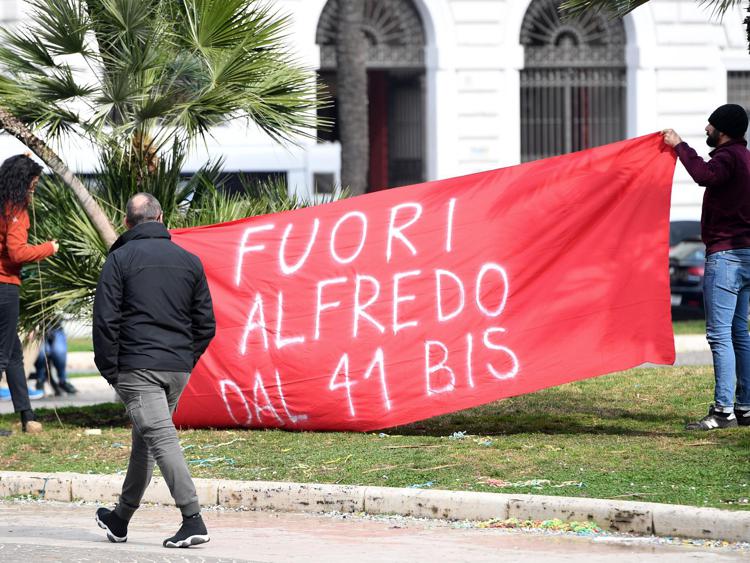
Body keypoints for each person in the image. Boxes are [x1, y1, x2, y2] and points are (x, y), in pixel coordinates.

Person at [92, 193, 215, 548]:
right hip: (176, 369)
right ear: (161, 217)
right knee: (144, 442)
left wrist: (113, 372)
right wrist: (184, 360)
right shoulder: (189, 261)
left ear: (128, 223)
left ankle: (192, 519)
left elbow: (105, 321)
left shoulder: (119, 259)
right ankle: (120, 519)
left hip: (137, 368)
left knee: (160, 439)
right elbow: (205, 324)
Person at [663, 103, 750, 431]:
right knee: (739, 332)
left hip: (726, 257)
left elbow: (704, 175)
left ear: (723, 130)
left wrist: (679, 146)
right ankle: (744, 407)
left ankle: (723, 410)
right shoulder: (746, 159)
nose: (706, 130)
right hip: (745, 254)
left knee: (719, 335)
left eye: (711, 126)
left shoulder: (727, 159)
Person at [0, 154, 58, 433]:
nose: (33, 190)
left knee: (12, 354)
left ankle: (27, 416)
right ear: (23, 182)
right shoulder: (15, 209)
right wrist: (49, 248)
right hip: (4, 285)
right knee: (3, 355)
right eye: (33, 184)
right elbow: (17, 252)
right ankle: (27, 415)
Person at [34, 326, 77, 395]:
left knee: (58, 351)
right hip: (36, 330)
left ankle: (62, 380)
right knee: (42, 352)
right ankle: (40, 379)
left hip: (55, 328)